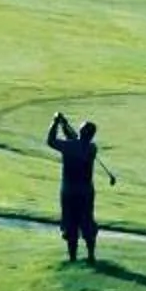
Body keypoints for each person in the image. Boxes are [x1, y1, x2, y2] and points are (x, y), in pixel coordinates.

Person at [46, 112, 112, 262]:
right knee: (87, 221)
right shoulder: (92, 148)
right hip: (86, 192)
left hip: (69, 191)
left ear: (81, 132)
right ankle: (91, 256)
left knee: (70, 223)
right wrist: (65, 125)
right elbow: (73, 138)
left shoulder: (70, 146)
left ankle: (72, 258)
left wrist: (55, 122)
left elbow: (50, 141)